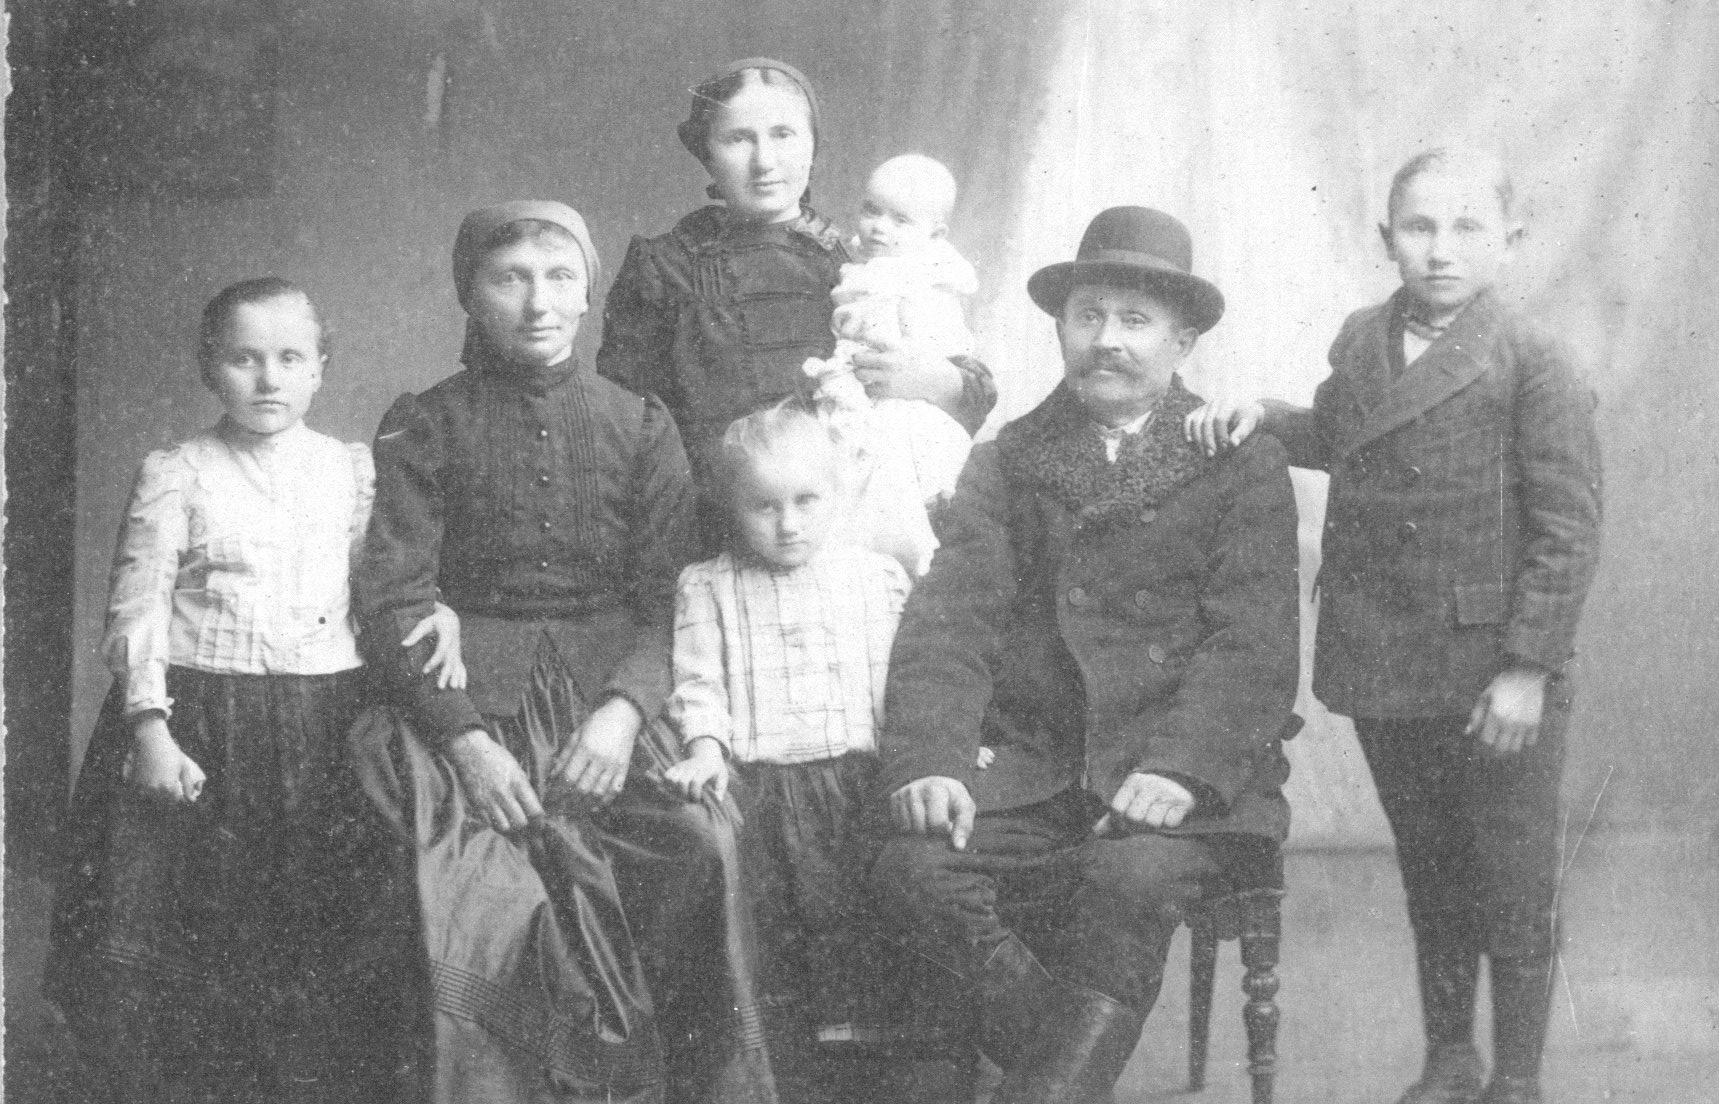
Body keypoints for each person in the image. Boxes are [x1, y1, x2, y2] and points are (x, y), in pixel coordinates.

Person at [1186, 149, 1602, 1104]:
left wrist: (1526, 670)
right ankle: (1449, 1060)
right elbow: (1342, 438)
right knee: (1432, 869)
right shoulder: (1362, 339)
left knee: (1513, 880)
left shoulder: (1531, 358)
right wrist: (1266, 416)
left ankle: (1518, 1080)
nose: (1440, 249)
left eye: (1465, 227)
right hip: (1389, 658)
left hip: (1491, 669)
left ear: (1508, 242)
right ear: (1385, 239)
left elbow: (1567, 529)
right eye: (1418, 227)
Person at [870, 207, 1301, 1104]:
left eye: (1135, 320)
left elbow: (1252, 645)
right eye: (1088, 315)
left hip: (1180, 777)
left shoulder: (1237, 462)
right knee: (912, 869)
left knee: (1128, 876)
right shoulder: (1008, 460)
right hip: (1034, 770)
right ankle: (1063, 1079)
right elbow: (950, 624)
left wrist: (1181, 769)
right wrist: (932, 760)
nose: (1107, 340)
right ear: (1060, 328)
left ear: (1182, 342)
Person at [351, 201, 770, 1104]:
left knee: (699, 841)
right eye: (510, 279)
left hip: (607, 701)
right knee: (476, 894)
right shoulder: (425, 422)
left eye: (559, 278)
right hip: (464, 707)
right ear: (469, 295)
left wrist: (622, 715)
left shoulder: (642, 422)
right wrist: (466, 743)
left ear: (587, 296)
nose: (538, 302)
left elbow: (671, 597)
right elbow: (393, 598)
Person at [44, 278, 463, 1104]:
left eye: (290, 358)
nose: (268, 379)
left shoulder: (351, 470)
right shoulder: (178, 473)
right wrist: (150, 729)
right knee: (189, 923)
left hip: (326, 722)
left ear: (320, 368)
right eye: (244, 359)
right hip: (200, 720)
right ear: (210, 367)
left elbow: (384, 586)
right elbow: (138, 606)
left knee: (314, 927)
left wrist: (438, 611)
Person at [596, 58, 996, 551]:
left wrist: (932, 379)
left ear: (812, 144)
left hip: (843, 531)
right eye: (738, 138)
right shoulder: (665, 267)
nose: (764, 161)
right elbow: (623, 426)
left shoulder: (861, 264)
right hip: (705, 532)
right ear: (707, 153)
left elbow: (967, 390)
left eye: (783, 134)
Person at [662, 401, 913, 1102]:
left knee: (866, 933)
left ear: (838, 493)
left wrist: (936, 752)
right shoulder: (708, 585)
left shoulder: (874, 578)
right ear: (731, 506)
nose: (788, 524)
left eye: (806, 501)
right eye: (764, 506)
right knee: (776, 941)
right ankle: (794, 1081)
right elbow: (699, 681)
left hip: (861, 787)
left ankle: (871, 1082)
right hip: (765, 793)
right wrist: (706, 749)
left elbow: (908, 682)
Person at [802, 153, 978, 575]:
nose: (879, 227)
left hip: (904, 400)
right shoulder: (863, 267)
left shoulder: (923, 278)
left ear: (935, 234)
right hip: (863, 390)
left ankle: (902, 559)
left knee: (889, 483)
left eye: (900, 220)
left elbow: (935, 346)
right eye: (871, 211)